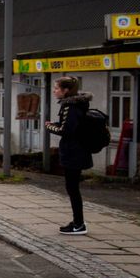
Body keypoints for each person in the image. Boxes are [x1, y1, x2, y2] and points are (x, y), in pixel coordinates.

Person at [45, 77, 92, 235]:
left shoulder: (70, 107)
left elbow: (66, 131)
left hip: (74, 152)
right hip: (77, 151)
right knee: (72, 188)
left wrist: (50, 127)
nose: (54, 91)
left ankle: (79, 224)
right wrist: (55, 124)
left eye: (57, 88)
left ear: (66, 90)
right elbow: (70, 126)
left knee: (72, 188)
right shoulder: (75, 105)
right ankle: (78, 221)